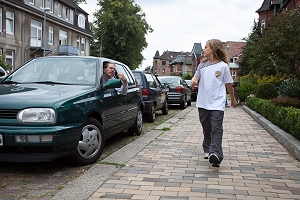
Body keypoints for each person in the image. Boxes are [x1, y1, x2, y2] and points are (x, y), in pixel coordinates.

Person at [191, 39, 237, 167]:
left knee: (216, 128)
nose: (204, 49)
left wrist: (232, 99)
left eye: (206, 47)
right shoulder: (202, 66)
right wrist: (194, 81)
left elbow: (228, 84)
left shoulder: (223, 66)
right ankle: (207, 148)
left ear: (213, 49)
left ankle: (215, 154)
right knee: (207, 127)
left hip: (217, 103)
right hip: (203, 102)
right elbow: (196, 76)